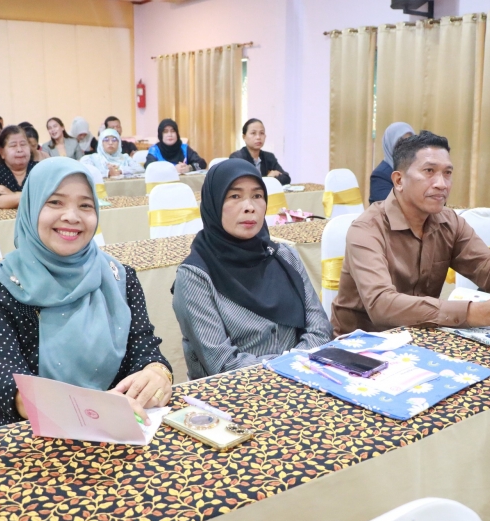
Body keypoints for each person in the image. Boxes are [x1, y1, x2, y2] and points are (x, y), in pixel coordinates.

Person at [0, 157, 173, 426]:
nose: (72, 216)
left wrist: (158, 373)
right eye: (55, 202)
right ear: (31, 206)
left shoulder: (118, 277)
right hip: (37, 435)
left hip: (125, 429)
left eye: (85, 205)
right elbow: (2, 376)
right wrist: (89, 409)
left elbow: (145, 349)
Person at [330, 131, 490, 336]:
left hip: (423, 338)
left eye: (447, 173)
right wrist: (481, 313)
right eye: (429, 171)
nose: (441, 184)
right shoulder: (367, 229)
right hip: (362, 347)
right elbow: (382, 305)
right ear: (399, 180)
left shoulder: (449, 222)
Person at [173, 159, 331, 379]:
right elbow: (223, 365)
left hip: (304, 380)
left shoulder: (284, 256)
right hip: (234, 393)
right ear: (213, 203)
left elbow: (321, 331)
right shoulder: (195, 276)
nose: (249, 207)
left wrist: (294, 367)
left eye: (257, 196)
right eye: (234, 196)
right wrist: (292, 365)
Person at [0, 126, 36, 209]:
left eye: (23, 144)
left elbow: (49, 196)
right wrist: (28, 197)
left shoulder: (39, 168)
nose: (19, 149)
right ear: (1, 152)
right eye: (13, 145)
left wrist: (11, 194)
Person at [229, 118, 291, 185]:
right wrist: (268, 179)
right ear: (244, 137)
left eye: (261, 133)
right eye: (253, 133)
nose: (258, 137)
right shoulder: (237, 158)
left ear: (265, 136)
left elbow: (286, 178)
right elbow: (244, 183)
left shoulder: (269, 157)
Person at [370, 122, 415, 204]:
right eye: (401, 142)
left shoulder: (416, 169)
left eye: (410, 141)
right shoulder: (380, 175)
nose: (407, 146)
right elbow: (389, 206)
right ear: (390, 144)